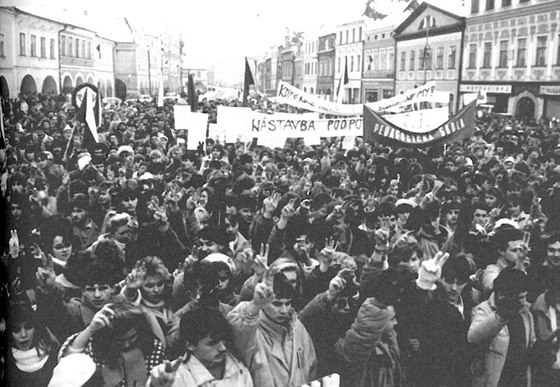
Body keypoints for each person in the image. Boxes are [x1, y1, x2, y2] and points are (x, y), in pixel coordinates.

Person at [227, 269, 317, 387]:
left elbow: (312, 366)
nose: (284, 310)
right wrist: (254, 305)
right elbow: (237, 326)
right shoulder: (251, 331)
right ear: (263, 302)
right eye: (277, 304)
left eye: (288, 303)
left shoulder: (298, 327)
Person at [59, 298, 166, 387]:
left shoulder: (154, 347)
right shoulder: (97, 345)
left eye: (132, 338)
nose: (127, 345)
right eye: (120, 341)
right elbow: (68, 361)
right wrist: (91, 329)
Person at [147, 307, 253, 386]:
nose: (222, 348)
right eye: (212, 343)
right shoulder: (174, 376)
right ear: (190, 345)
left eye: (222, 340)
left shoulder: (239, 368)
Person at [468, 268, 536, 387]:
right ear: (502, 295)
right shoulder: (483, 310)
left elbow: (531, 346)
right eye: (520, 298)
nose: (525, 302)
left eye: (525, 297)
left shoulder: (526, 314)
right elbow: (472, 336)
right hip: (493, 382)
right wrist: (500, 316)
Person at [6, 302, 60, 387]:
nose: (23, 334)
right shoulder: (6, 364)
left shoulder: (54, 354)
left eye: (28, 327)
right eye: (16, 330)